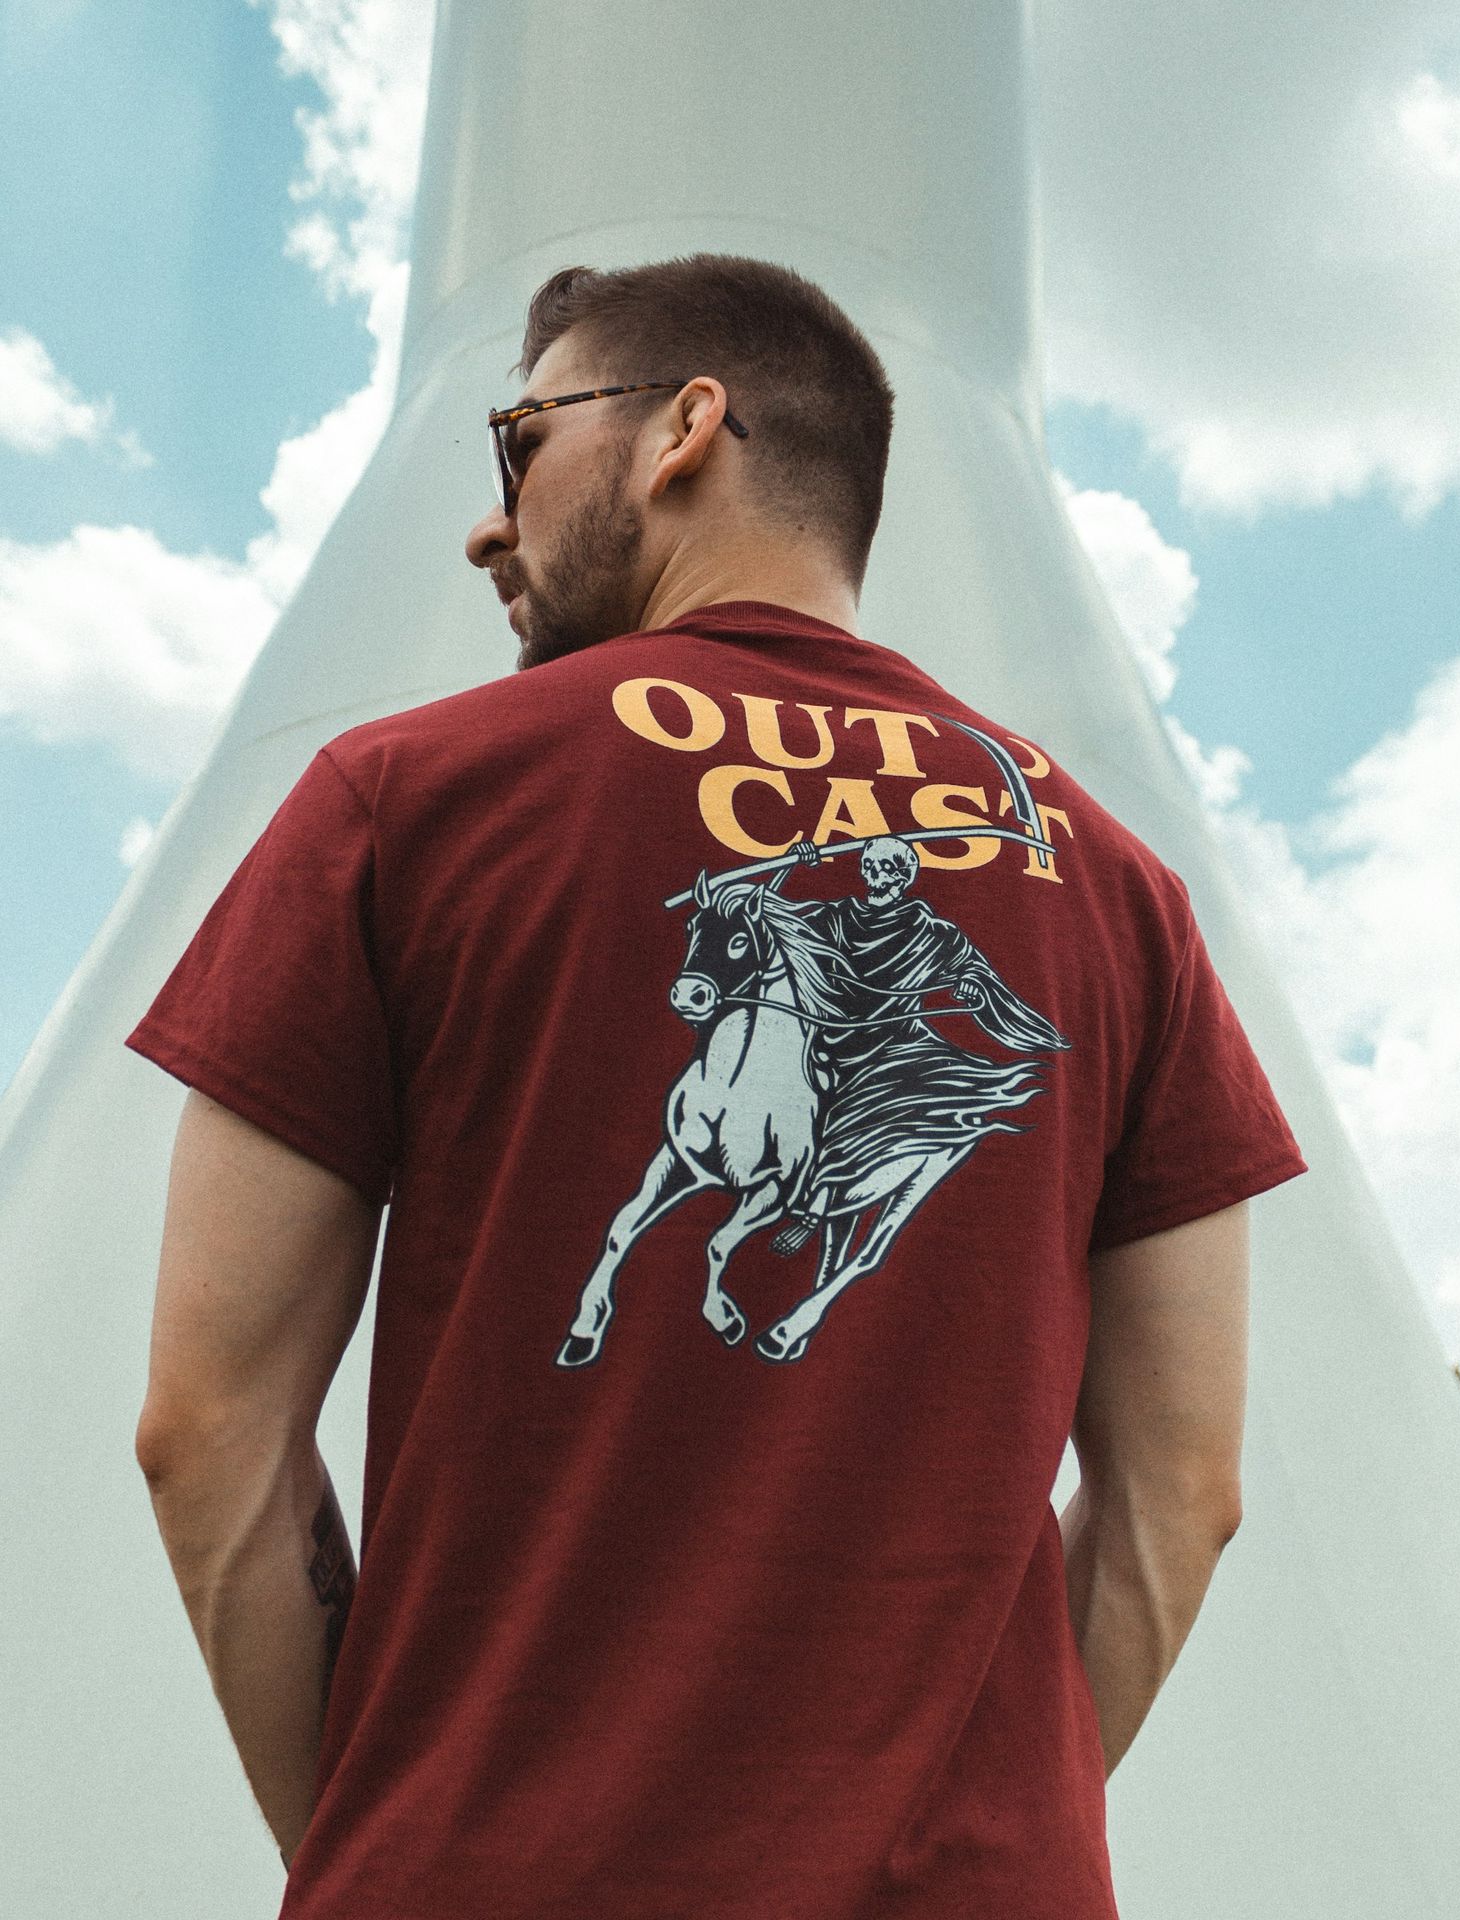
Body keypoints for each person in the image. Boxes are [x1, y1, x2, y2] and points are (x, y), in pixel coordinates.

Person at [126, 252, 1307, 1920]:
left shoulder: (403, 802)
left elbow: (205, 1434)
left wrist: (385, 1852)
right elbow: (1183, 1497)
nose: (490, 522)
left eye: (518, 441)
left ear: (684, 430)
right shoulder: (1124, 894)